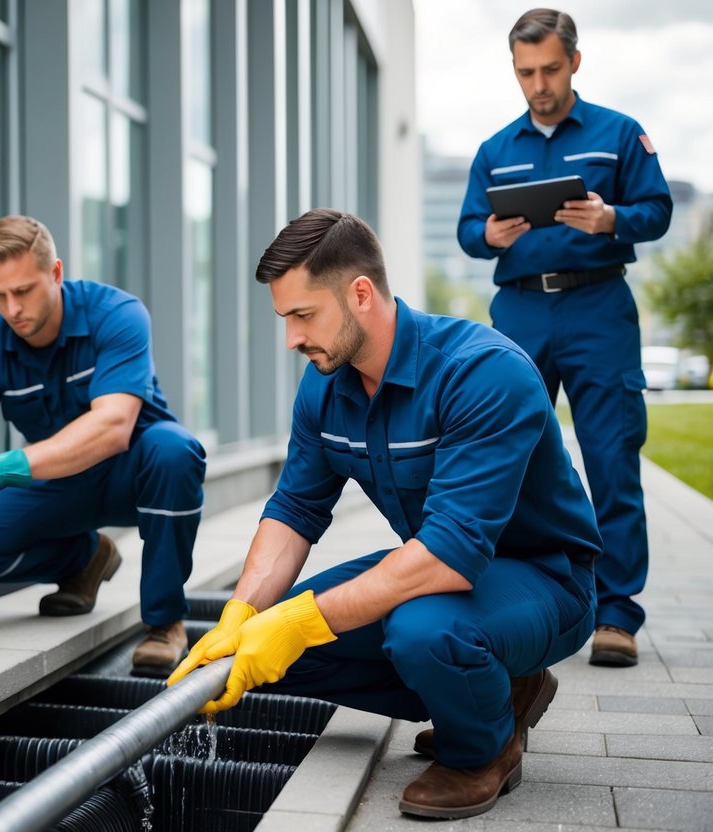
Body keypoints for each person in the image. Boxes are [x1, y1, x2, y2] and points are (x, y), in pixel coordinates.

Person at [167, 209, 600, 819]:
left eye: (302, 315)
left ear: (360, 294)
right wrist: (245, 613)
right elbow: (294, 507)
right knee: (258, 657)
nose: (291, 338)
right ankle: (489, 688)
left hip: (544, 577)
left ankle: (483, 748)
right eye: (284, 318)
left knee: (423, 631)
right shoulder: (325, 385)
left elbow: (449, 554)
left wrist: (299, 622)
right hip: (437, 572)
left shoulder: (483, 373)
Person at [0, 214, 206, 673]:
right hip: (59, 479)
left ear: (56, 273)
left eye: (23, 291)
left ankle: (166, 623)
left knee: (175, 450)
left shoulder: (117, 315)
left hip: (136, 471)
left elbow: (112, 426)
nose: (12, 309)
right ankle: (86, 559)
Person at [457, 8, 672, 667]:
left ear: (574, 61)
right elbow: (468, 229)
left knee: (611, 456)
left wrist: (611, 217)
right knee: (502, 456)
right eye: (525, 72)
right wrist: (486, 235)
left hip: (597, 308)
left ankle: (614, 615)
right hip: (519, 310)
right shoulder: (495, 150)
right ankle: (514, 600)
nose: (538, 84)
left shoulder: (618, 134)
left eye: (549, 69)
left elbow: (657, 210)